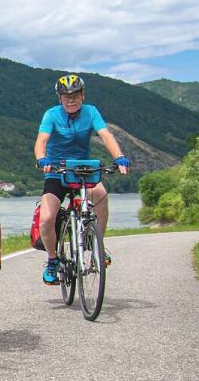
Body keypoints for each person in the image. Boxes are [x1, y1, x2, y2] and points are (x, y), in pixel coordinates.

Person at [35, 74, 129, 285]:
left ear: (82, 95)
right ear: (60, 98)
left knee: (101, 196)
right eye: (66, 96)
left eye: (75, 95)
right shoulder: (51, 115)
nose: (71, 99)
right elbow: (41, 140)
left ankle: (97, 246)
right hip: (57, 171)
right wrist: (42, 158)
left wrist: (119, 157)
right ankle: (52, 259)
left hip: (84, 170)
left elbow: (106, 135)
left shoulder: (91, 111)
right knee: (47, 218)